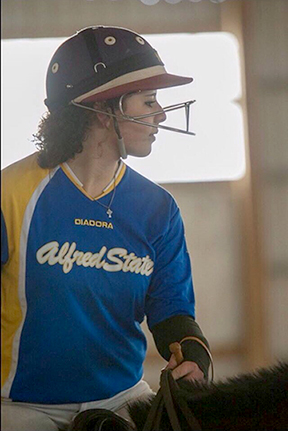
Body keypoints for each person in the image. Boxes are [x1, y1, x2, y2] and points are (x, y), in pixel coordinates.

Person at [1, 26, 211, 431]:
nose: (162, 115)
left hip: (122, 400)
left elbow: (171, 310)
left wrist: (194, 355)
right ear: (103, 110)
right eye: (149, 101)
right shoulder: (10, 194)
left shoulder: (158, 209)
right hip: (20, 406)